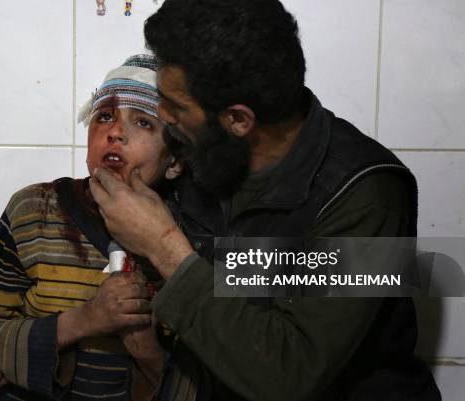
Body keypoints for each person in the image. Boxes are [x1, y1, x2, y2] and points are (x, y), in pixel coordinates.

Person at [86, 0, 442, 400]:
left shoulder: (366, 195)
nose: (164, 114)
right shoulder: (204, 151)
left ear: (238, 120)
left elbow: (288, 374)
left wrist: (163, 244)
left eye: (177, 105)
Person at [0, 54, 195, 401]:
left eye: (143, 123)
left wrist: (147, 349)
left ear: (175, 161)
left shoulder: (191, 237)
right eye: (104, 117)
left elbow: (211, 382)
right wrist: (86, 320)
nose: (116, 132)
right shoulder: (34, 210)